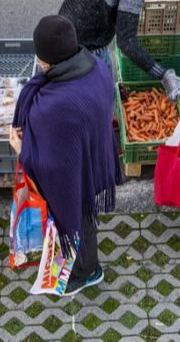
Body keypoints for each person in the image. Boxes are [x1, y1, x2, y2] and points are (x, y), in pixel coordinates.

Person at [11, 15, 119, 296]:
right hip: (95, 158)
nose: (38, 62)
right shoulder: (96, 67)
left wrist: (22, 149)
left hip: (76, 175)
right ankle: (84, 262)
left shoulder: (56, 105)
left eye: (40, 57)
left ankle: (87, 272)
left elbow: (47, 162)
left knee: (76, 219)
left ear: (48, 61)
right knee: (85, 218)